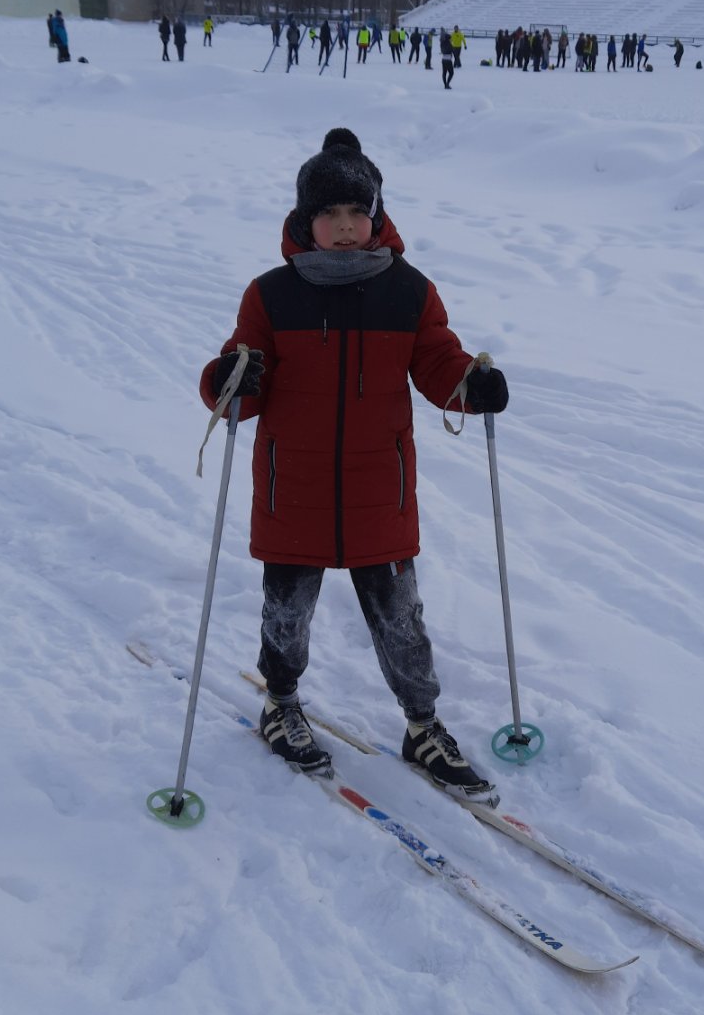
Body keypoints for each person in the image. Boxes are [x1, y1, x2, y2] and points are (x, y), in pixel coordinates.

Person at [198, 128, 506, 797]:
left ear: (377, 217)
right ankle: (281, 705)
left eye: (355, 214)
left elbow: (437, 364)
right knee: (287, 612)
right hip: (294, 489)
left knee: (401, 617)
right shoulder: (272, 295)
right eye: (329, 215)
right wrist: (230, 378)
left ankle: (422, 725)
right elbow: (235, 379)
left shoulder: (409, 293)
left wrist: (469, 386)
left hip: (378, 492)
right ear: (306, 221)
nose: (344, 227)